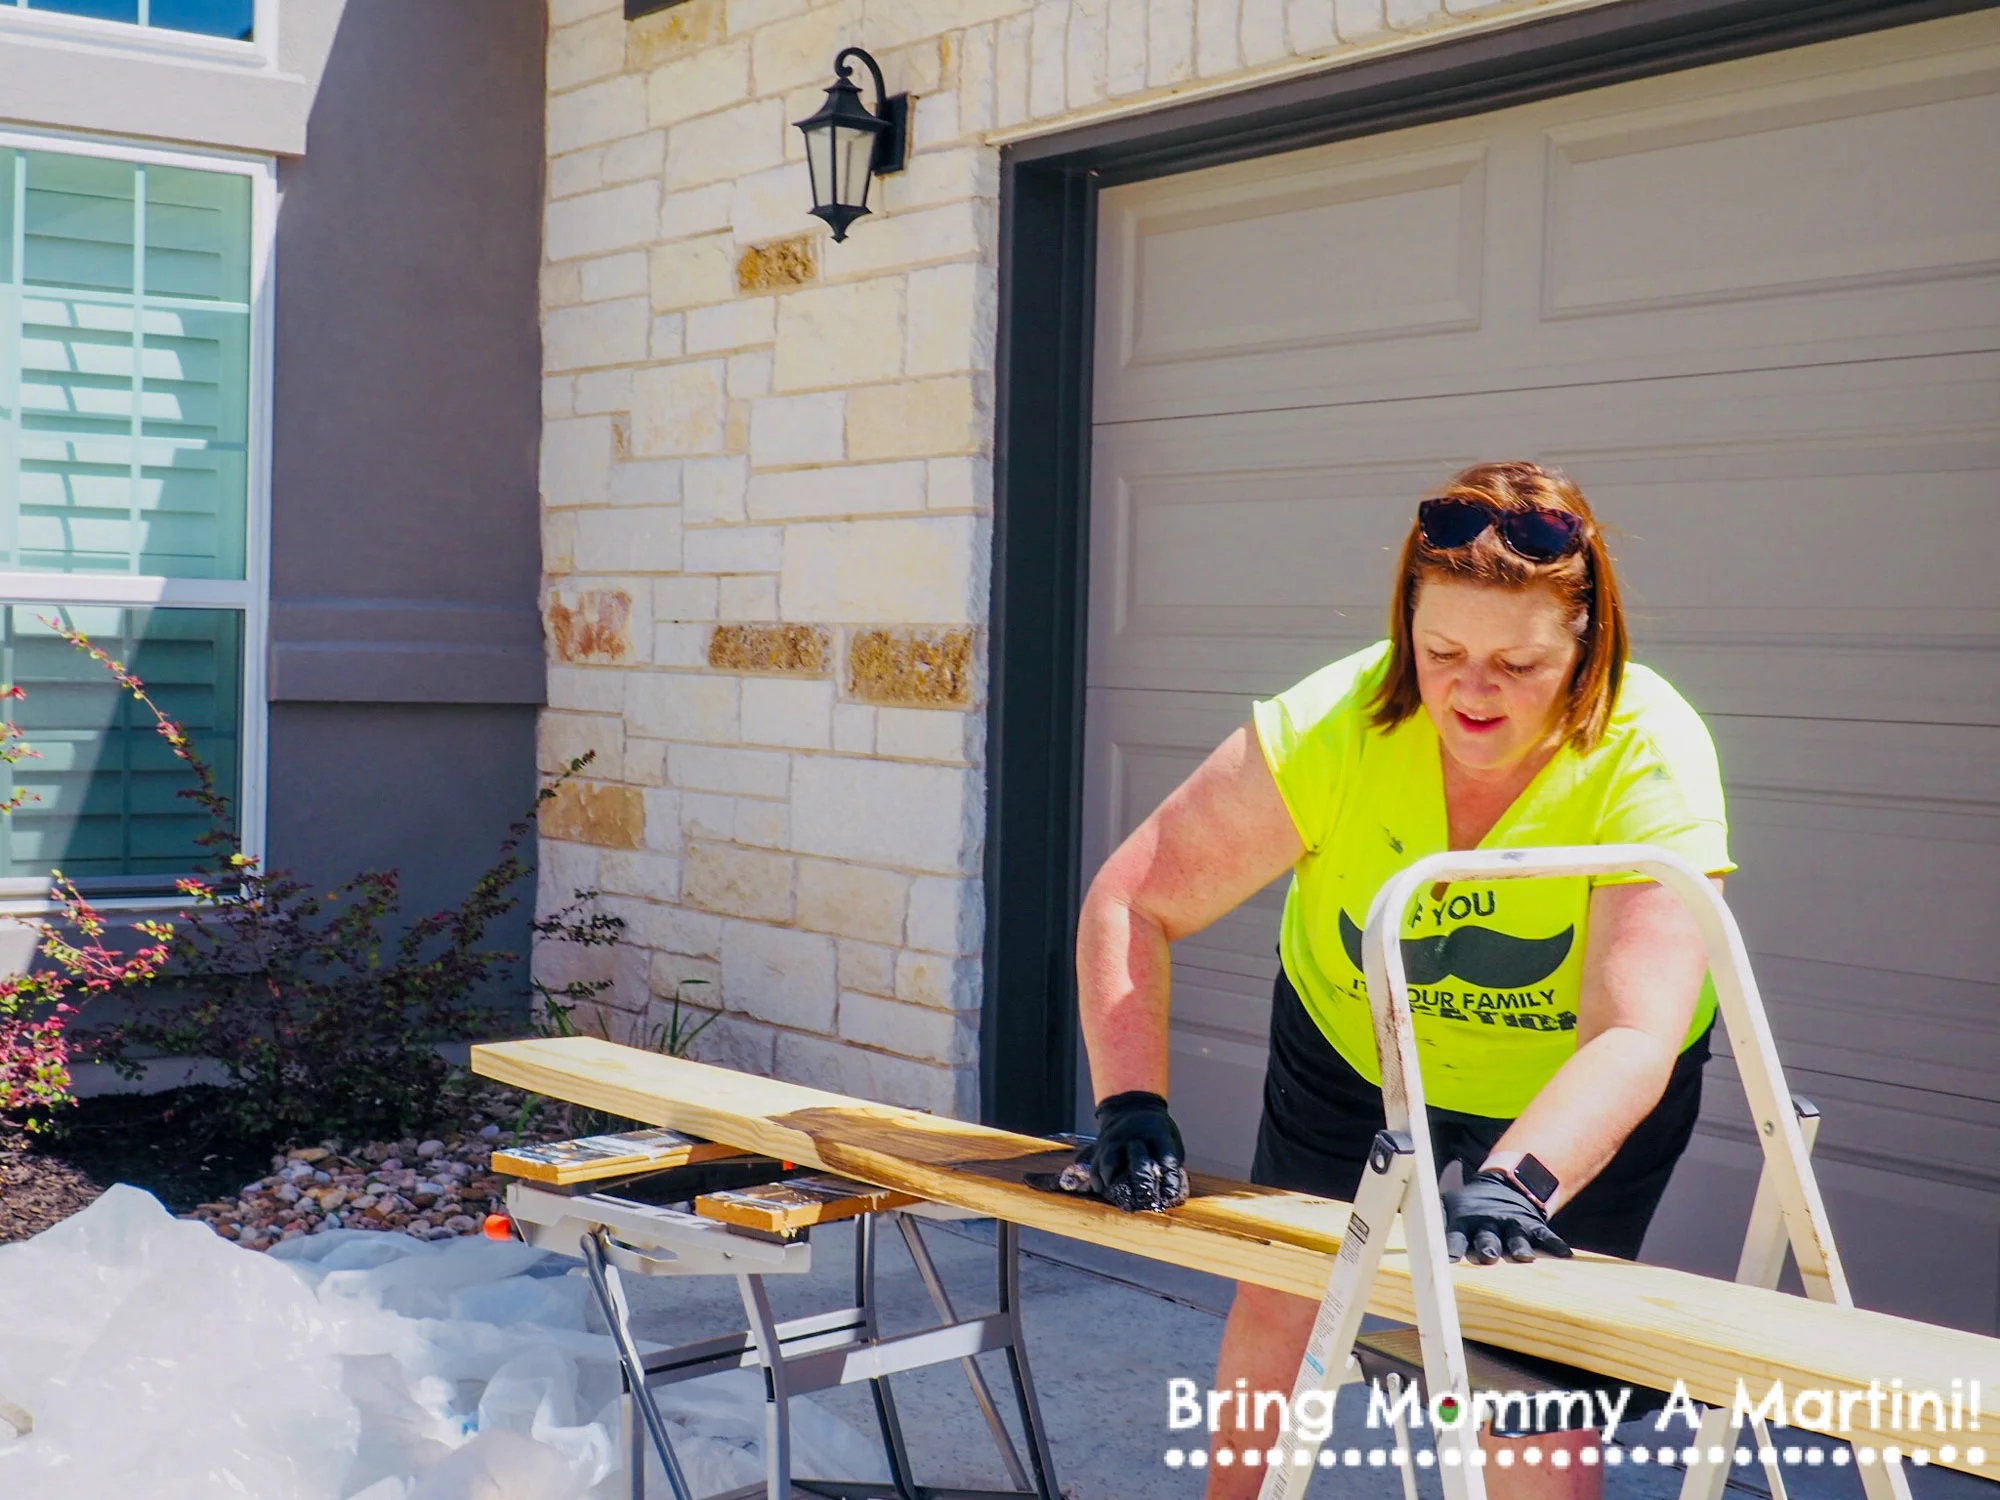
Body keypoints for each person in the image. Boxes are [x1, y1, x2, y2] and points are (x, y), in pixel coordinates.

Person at [1054, 460, 1732, 1498]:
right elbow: (1130, 901)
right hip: (1352, 1050)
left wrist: (1517, 1184)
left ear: (1587, 647)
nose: (1469, 689)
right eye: (1442, 651)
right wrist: (1129, 1105)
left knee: (1522, 1375)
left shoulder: (1650, 753)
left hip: (1574, 1085)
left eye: (1518, 663)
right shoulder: (1337, 720)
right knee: (1285, 1294)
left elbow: (1632, 1032)